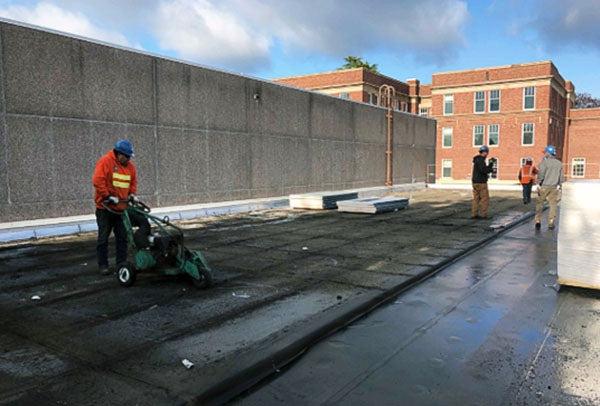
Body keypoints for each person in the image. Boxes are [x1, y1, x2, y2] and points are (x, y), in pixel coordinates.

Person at [92, 139, 138, 275]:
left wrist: (132, 195)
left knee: (122, 238)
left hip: (121, 208)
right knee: (103, 238)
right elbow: (97, 180)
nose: (129, 159)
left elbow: (133, 182)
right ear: (119, 154)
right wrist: (107, 196)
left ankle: (121, 265)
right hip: (105, 208)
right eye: (127, 156)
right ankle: (103, 265)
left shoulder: (130, 167)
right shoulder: (105, 161)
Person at [535, 145, 563, 230]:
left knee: (540, 204)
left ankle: (538, 221)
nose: (545, 154)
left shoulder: (544, 163)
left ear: (548, 153)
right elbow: (561, 176)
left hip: (544, 186)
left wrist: (538, 183)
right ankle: (551, 222)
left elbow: (541, 174)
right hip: (554, 187)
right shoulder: (559, 163)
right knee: (553, 205)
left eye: (545, 152)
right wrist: (560, 185)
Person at [471, 145, 495, 219]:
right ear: (484, 152)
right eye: (487, 153)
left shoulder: (476, 160)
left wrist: (489, 166)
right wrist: (491, 165)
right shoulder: (481, 160)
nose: (487, 154)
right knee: (484, 199)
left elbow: (482, 169)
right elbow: (484, 170)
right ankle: (483, 215)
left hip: (475, 182)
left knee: (476, 199)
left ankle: (474, 214)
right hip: (481, 182)